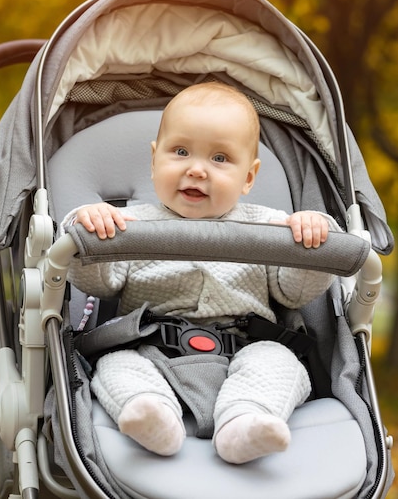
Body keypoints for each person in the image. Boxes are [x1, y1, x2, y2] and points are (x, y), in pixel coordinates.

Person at [62, 81, 341, 464]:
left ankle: (245, 423)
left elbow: (294, 293)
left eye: (220, 159)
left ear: (249, 177)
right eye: (180, 152)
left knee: (281, 362)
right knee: (116, 365)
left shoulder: (270, 227)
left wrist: (312, 239)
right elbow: (99, 281)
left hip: (245, 350)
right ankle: (152, 415)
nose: (196, 169)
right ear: (154, 159)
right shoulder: (129, 223)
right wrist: (89, 228)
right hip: (151, 349)